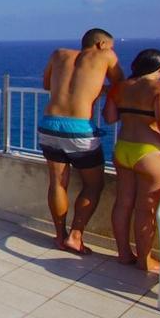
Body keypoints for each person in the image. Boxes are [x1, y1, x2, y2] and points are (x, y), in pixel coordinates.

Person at [38, 28, 123, 254]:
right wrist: (101, 89)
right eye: (111, 45)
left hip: (49, 125)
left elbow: (46, 85)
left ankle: (59, 236)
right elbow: (121, 84)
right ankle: (75, 236)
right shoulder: (106, 56)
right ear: (102, 44)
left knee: (57, 182)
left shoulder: (58, 54)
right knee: (94, 185)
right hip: (79, 129)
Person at [103, 49, 160, 273]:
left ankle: (124, 254)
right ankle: (144, 260)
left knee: (123, 203)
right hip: (151, 152)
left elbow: (110, 117)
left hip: (123, 148)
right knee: (147, 210)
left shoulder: (120, 87)